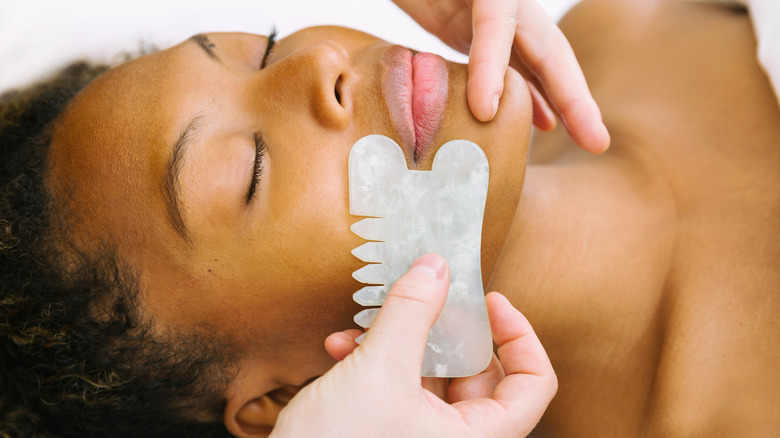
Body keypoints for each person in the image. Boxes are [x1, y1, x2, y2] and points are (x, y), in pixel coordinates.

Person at [1, 0, 779, 437]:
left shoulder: (639, 17)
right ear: (285, 404)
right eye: (250, 172)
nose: (319, 64)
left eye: (262, 52)